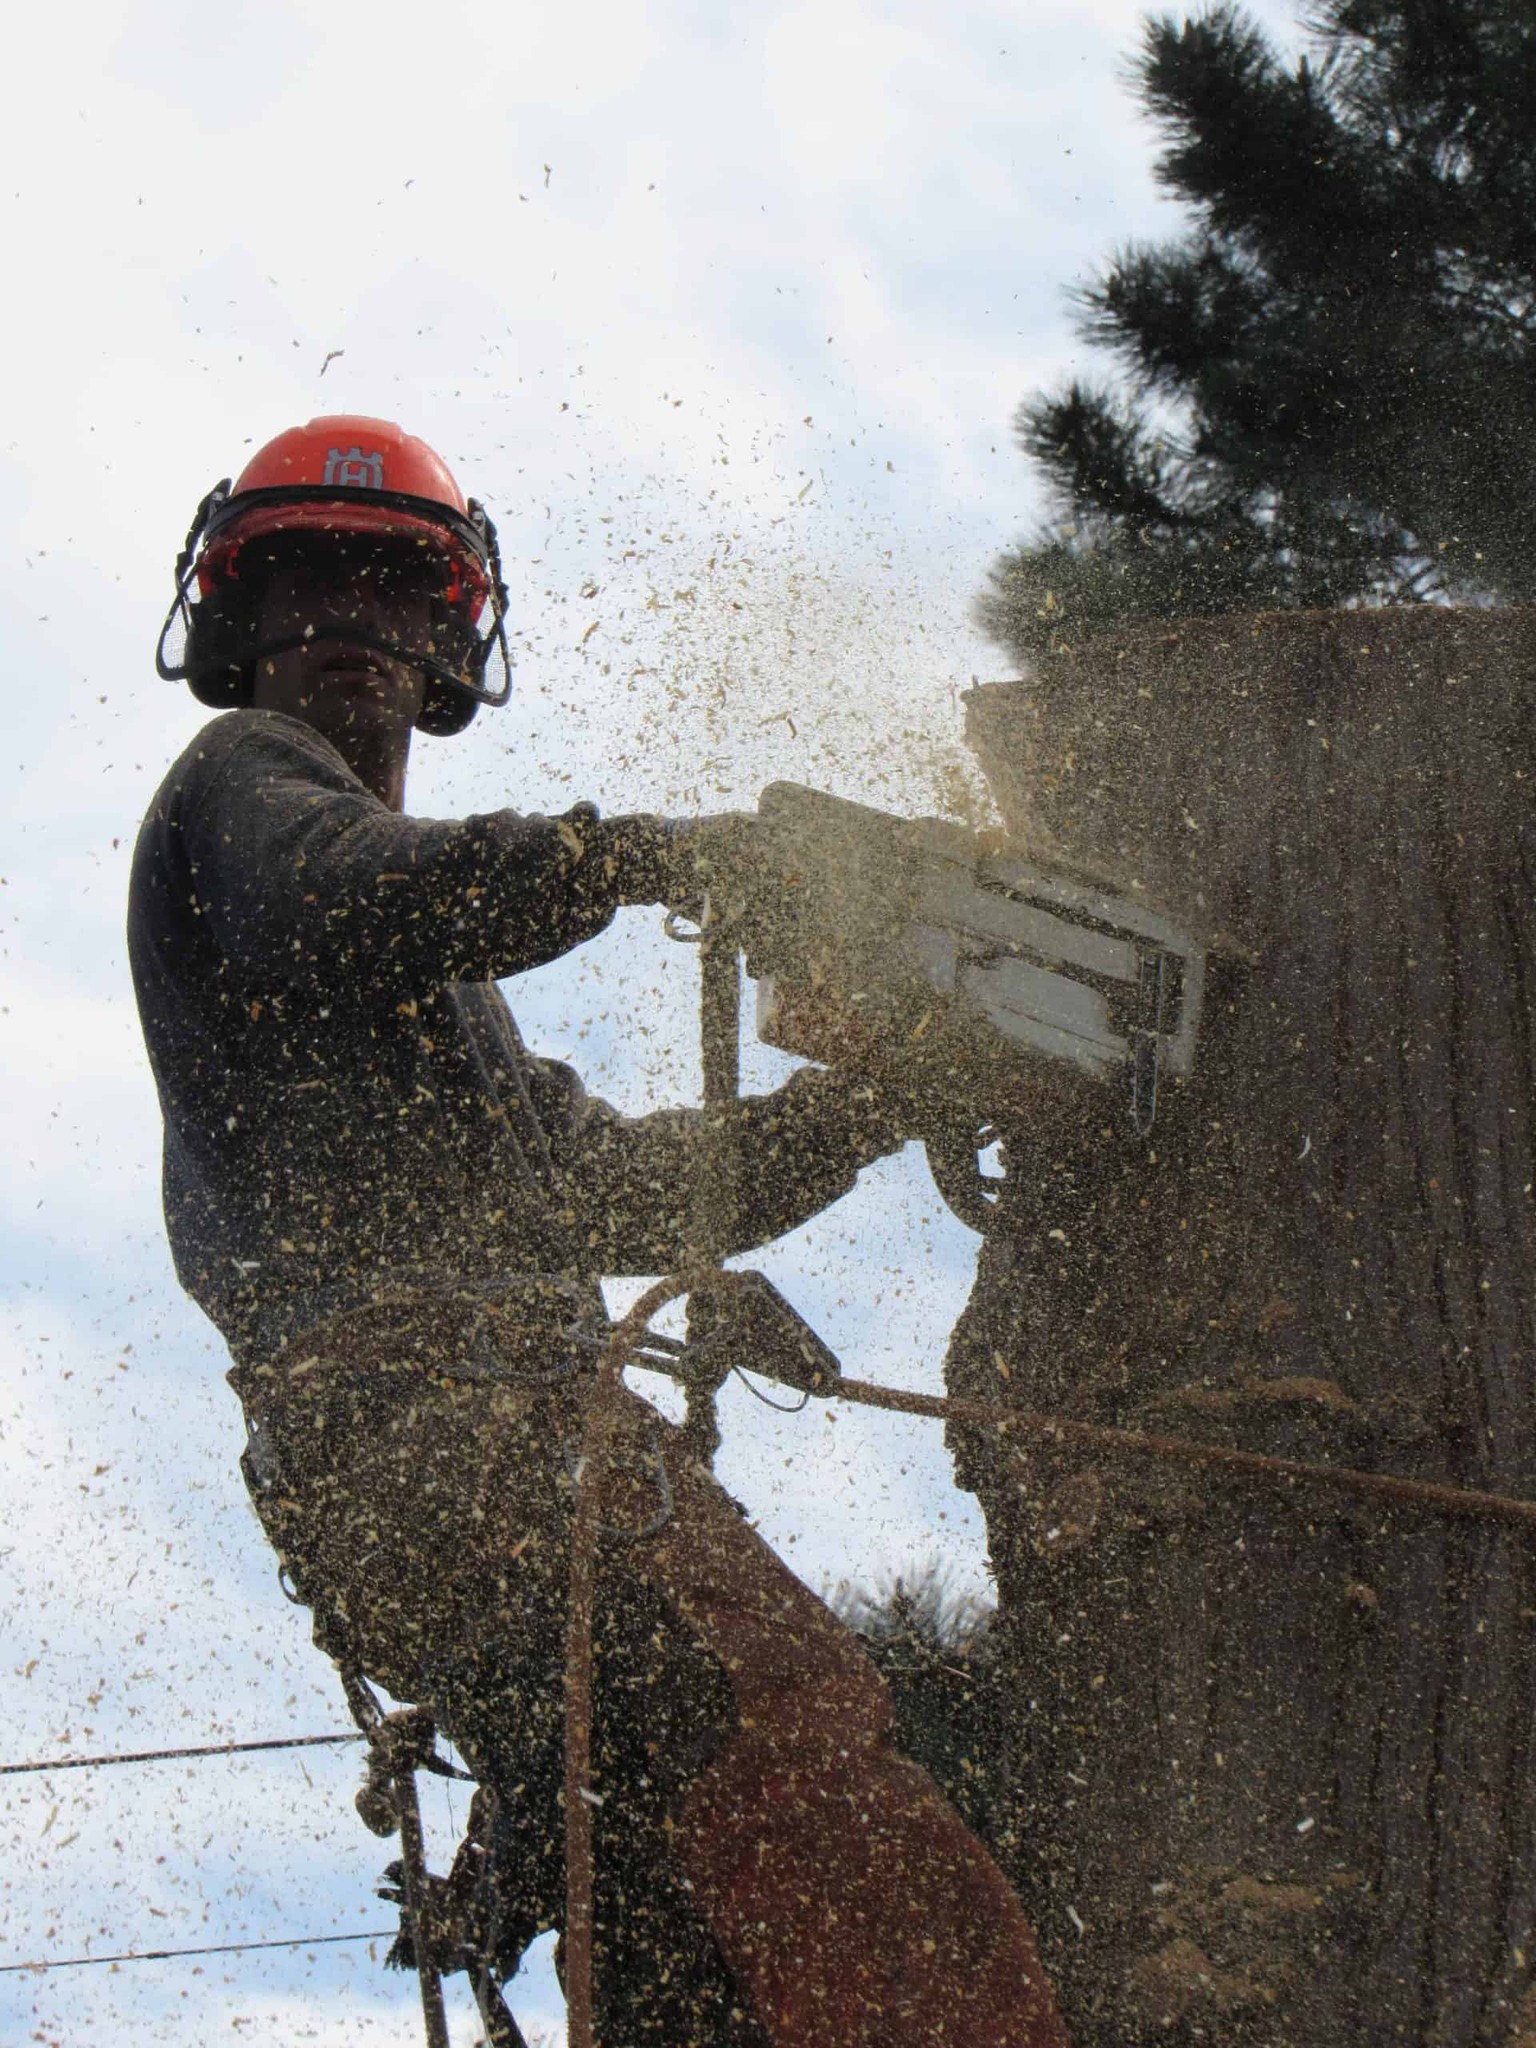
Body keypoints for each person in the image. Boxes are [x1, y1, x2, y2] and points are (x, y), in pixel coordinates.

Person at [128, 415, 1067, 2046]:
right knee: (792, 1751)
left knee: (667, 1856)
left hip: (474, 1452)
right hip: (452, 1437)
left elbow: (625, 1190)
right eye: (304, 592)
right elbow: (354, 894)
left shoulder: (443, 1017)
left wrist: (893, 1090)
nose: (349, 628)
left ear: (450, 646)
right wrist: (660, 856)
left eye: (392, 593)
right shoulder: (248, 795)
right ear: (233, 630)